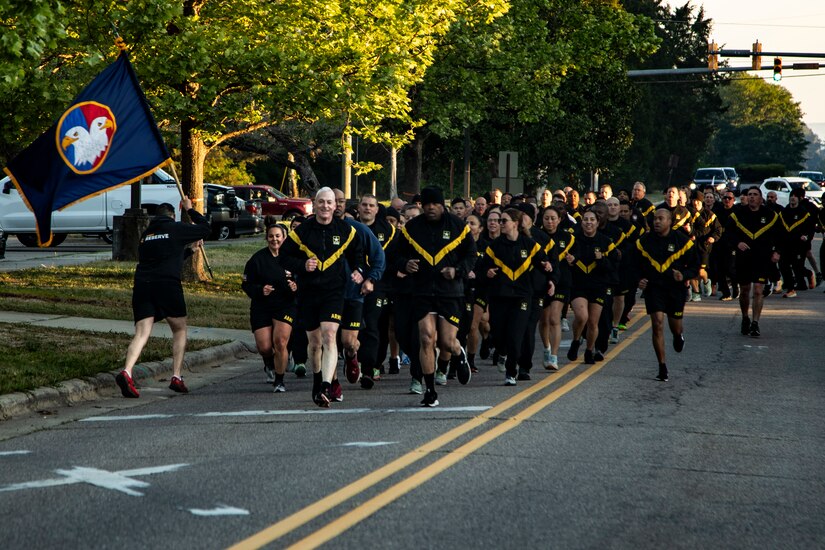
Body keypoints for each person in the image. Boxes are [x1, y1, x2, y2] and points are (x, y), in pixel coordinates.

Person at [279, 187, 367, 407]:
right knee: (315, 343)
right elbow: (283, 257)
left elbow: (358, 253)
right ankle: (317, 379)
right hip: (308, 292)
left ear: (335, 206)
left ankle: (327, 386)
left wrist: (359, 270)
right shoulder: (303, 231)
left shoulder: (346, 230)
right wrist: (302, 265)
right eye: (321, 202)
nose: (326, 206)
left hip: (334, 291)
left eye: (330, 202)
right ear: (315, 204)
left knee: (329, 335)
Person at [115, 198, 211, 398]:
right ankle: (176, 376)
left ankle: (127, 371)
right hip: (167, 284)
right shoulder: (176, 228)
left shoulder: (146, 235)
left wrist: (190, 251)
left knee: (141, 333)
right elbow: (205, 228)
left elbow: (167, 257)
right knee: (179, 329)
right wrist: (191, 210)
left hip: (142, 285)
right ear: (173, 216)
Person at [397, 186, 476, 407]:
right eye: (427, 204)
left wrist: (457, 271)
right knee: (426, 338)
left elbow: (471, 254)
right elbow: (396, 255)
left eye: (435, 204)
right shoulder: (412, 228)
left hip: (450, 292)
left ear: (443, 205)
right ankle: (430, 390)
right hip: (422, 291)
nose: (431, 208)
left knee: (446, 341)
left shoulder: (458, 227)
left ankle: (457, 353)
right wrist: (405, 263)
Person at [477, 208, 554, 385]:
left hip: (522, 296)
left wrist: (547, 268)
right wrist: (486, 272)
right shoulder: (494, 247)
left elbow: (544, 262)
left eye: (504, 221)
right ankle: (501, 352)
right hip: (499, 296)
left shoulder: (530, 245)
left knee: (516, 334)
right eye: (499, 221)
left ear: (515, 224)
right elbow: (481, 269)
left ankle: (511, 373)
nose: (500, 224)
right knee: (499, 335)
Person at [631, 209, 700, 382]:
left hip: (675, 289)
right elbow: (633, 264)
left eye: (661, 219)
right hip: (654, 288)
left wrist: (683, 275)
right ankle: (662, 366)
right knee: (657, 324)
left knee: (675, 326)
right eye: (655, 219)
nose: (657, 222)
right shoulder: (644, 242)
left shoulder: (682, 241)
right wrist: (639, 279)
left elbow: (694, 266)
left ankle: (678, 336)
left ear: (670, 221)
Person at [242, 224, 300, 393]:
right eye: (271, 236)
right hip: (262, 306)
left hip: (285, 305)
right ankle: (269, 363)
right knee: (265, 347)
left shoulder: (294, 258)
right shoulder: (257, 260)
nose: (275, 239)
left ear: (284, 238)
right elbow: (246, 284)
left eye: (278, 236)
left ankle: (279, 381)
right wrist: (260, 290)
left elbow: (305, 279)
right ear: (266, 238)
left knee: (280, 342)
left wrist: (297, 287)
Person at [724, 187, 781, 338]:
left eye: (755, 195)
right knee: (744, 291)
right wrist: (737, 243)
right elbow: (728, 233)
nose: (752, 197)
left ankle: (755, 323)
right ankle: (745, 317)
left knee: (758, 290)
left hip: (762, 258)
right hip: (744, 258)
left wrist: (777, 252)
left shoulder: (770, 215)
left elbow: (780, 235)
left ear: (761, 198)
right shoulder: (738, 215)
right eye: (749, 195)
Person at [566, 210, 616, 364]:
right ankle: (575, 341)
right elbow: (564, 259)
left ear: (597, 222)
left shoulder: (605, 242)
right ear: (582, 223)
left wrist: (601, 259)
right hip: (578, 284)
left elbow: (613, 265)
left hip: (598, 285)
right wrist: (570, 260)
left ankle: (589, 350)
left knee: (593, 322)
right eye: (585, 220)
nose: (588, 222)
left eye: (592, 220)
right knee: (582, 317)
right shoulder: (573, 241)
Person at [778, 188, 816, 297]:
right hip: (786, 245)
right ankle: (791, 289)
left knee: (797, 267)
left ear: (799, 199)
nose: (792, 198)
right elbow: (779, 228)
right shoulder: (784, 212)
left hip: (799, 245)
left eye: (795, 196)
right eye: (791, 196)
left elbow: (810, 228)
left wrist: (806, 237)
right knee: (783, 265)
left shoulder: (804, 213)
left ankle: (808, 274)